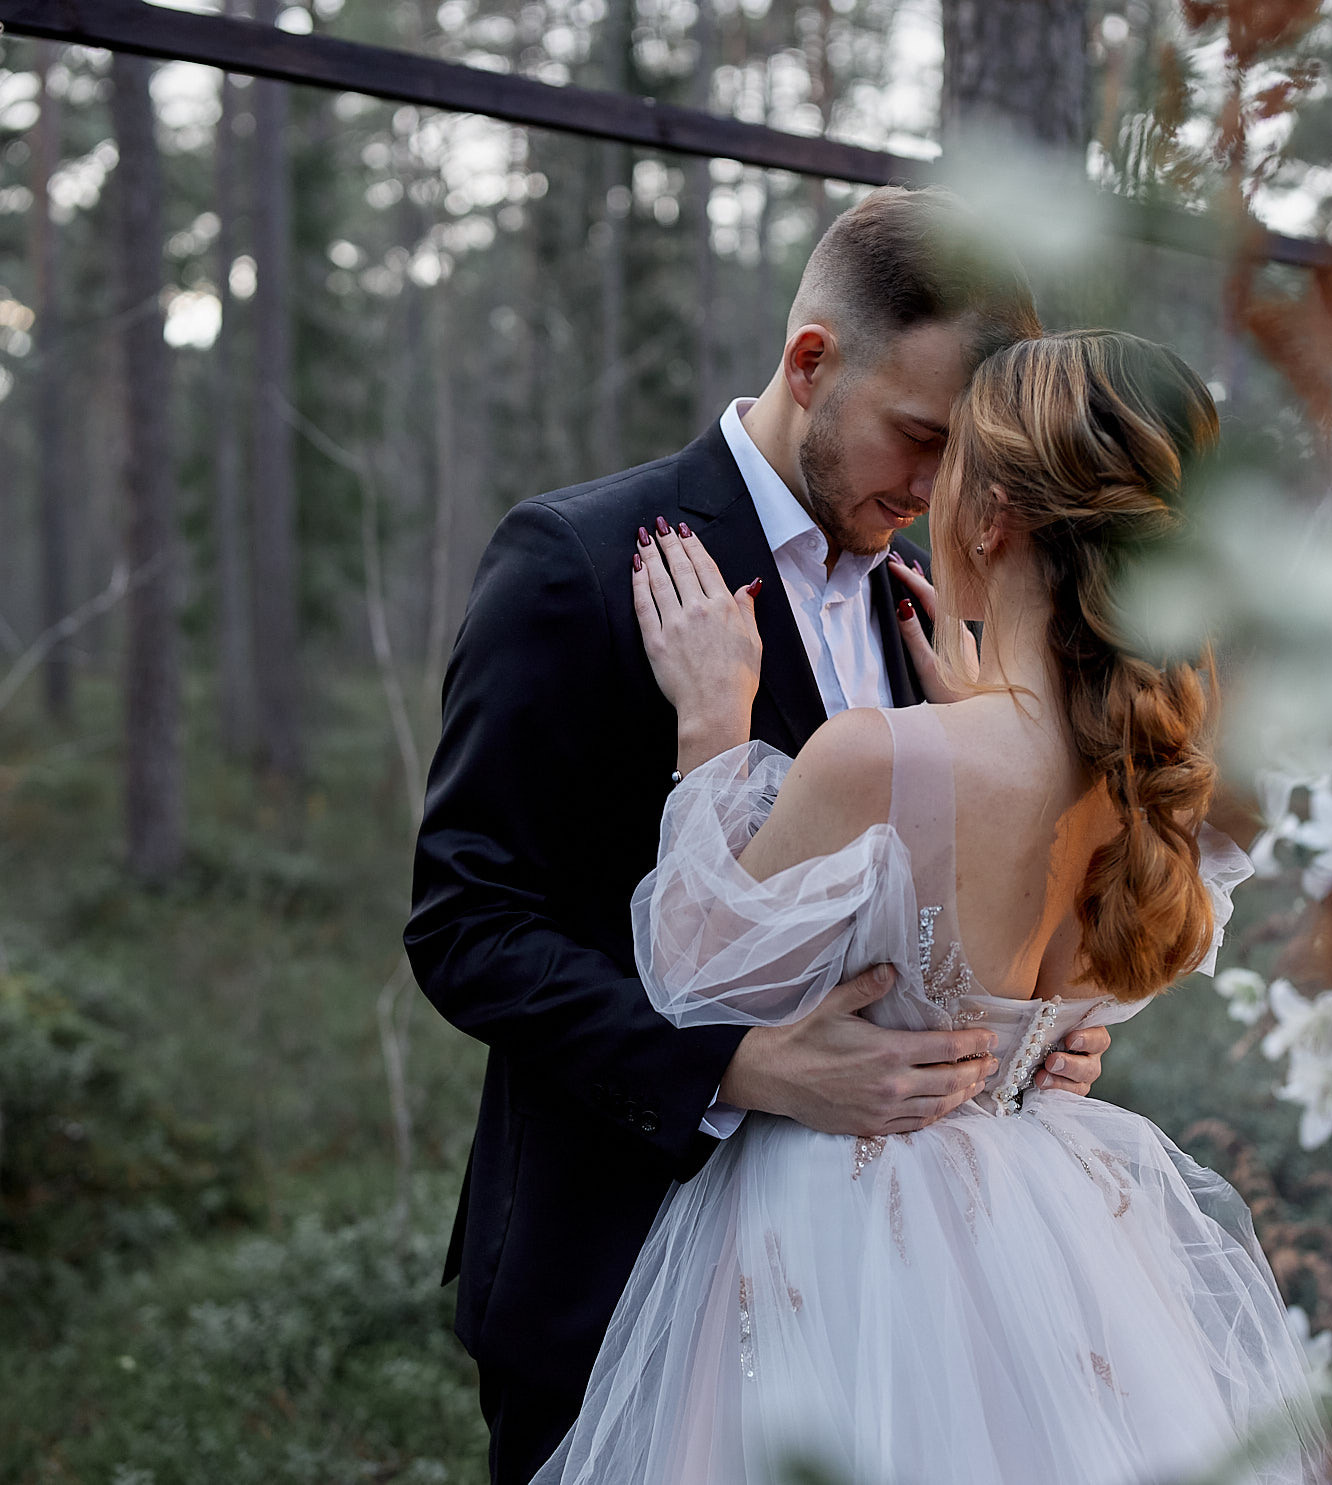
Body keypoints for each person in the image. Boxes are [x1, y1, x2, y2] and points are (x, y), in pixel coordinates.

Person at [536, 330, 1332, 1484]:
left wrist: (714, 730)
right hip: (1062, 1245)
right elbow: (1056, 981)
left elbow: (690, 976)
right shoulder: (1158, 785)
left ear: (994, 511)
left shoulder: (879, 762)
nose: (925, 494)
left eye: (952, 461)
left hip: (841, 1248)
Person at [404, 186, 1118, 1484]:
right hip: (614, 1262)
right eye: (920, 435)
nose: (940, 488)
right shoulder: (579, 562)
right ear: (810, 362)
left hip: (882, 1305)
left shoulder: (940, 606)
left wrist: (1018, 1036)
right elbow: (466, 925)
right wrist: (737, 1065)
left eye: (973, 460)